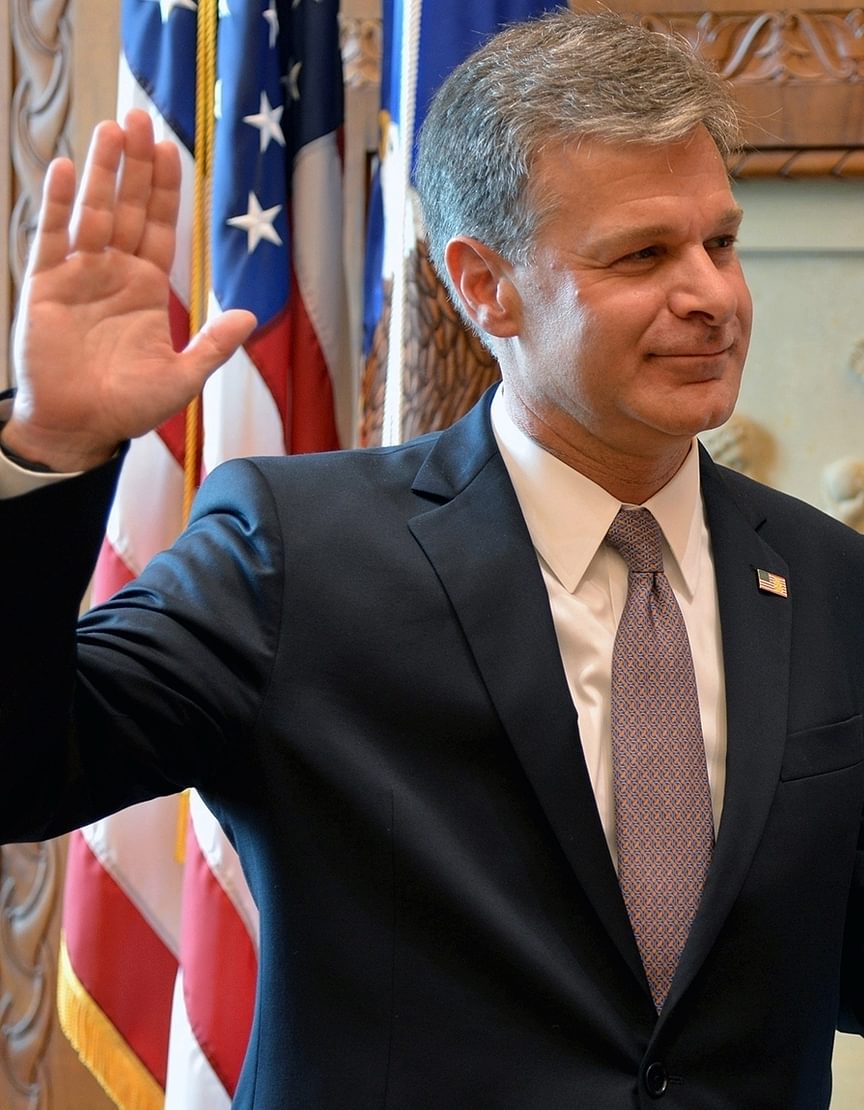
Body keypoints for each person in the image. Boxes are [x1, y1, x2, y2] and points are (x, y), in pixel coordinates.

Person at [1, 9, 862, 1107]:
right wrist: (51, 455)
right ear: (483, 283)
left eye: (721, 243)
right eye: (644, 254)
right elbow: (22, 766)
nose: (713, 296)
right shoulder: (295, 554)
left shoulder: (830, 578)